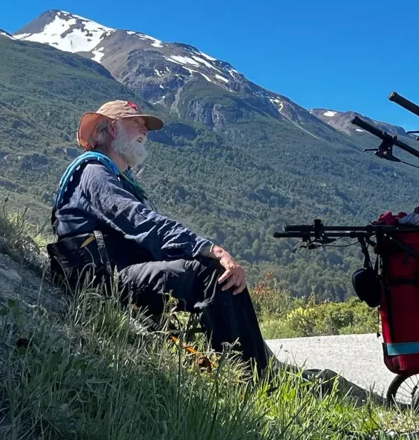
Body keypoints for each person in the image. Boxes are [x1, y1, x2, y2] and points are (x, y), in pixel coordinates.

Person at [46, 99, 271, 374]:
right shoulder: (94, 172)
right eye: (137, 123)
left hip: (118, 274)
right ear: (113, 128)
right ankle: (254, 376)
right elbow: (139, 221)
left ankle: (262, 364)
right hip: (103, 282)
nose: (145, 131)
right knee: (211, 273)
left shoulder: (115, 176)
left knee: (210, 272)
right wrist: (209, 248)